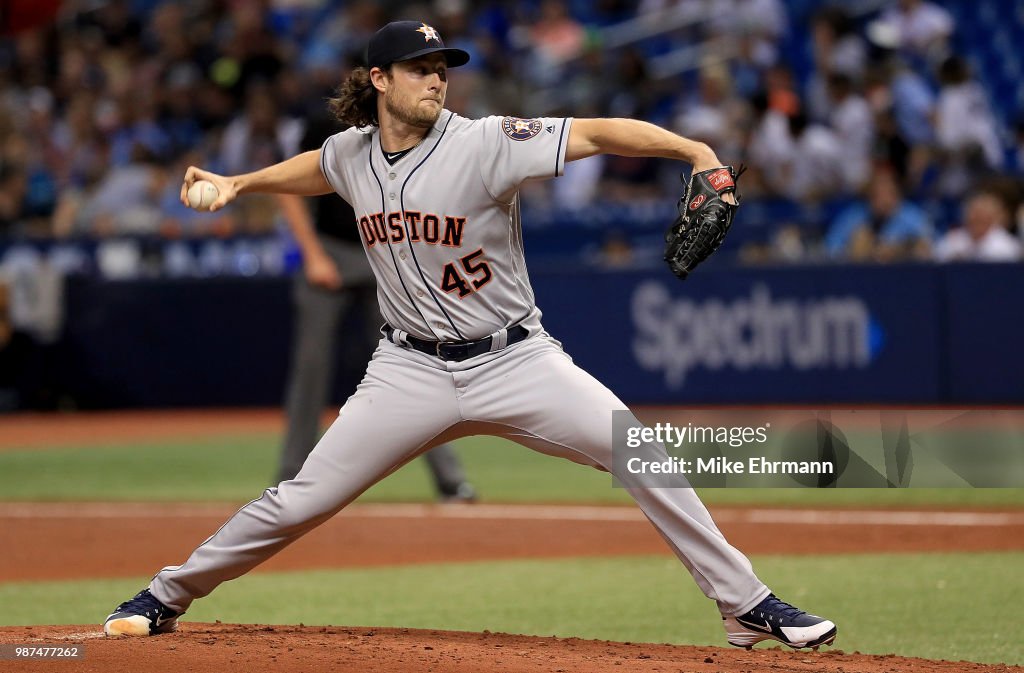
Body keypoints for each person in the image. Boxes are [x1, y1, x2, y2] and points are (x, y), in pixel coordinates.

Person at [102, 20, 837, 651]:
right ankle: (163, 595)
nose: (437, 80)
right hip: (407, 372)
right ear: (379, 79)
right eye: (421, 69)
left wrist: (693, 149)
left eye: (442, 68)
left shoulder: (488, 143)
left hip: (515, 358)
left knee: (638, 449)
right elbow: (318, 168)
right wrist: (241, 183)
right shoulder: (353, 152)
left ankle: (744, 604)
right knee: (298, 501)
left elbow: (596, 131)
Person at [274, 113, 476, 499]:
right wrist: (313, 254)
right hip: (335, 248)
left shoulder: (429, 131)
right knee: (312, 366)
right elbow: (287, 186)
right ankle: (288, 482)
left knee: (422, 372)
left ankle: (450, 480)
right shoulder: (328, 126)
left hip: (389, 257)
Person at [826, 168, 932, 261]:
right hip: (861, 275)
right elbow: (831, 249)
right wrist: (852, 250)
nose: (883, 199)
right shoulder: (853, 215)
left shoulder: (912, 215)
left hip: (903, 275)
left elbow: (929, 247)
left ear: (897, 194)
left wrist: (900, 249)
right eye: (878, 194)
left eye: (888, 193)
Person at [933, 191, 1022, 262]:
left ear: (992, 218)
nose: (977, 219)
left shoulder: (1007, 245)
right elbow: (937, 260)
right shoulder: (953, 239)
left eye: (982, 216)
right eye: (974, 215)